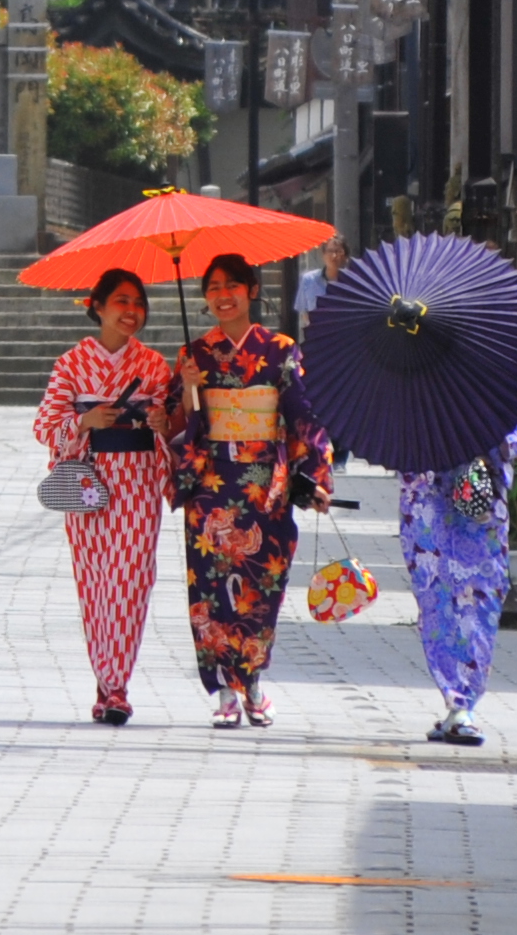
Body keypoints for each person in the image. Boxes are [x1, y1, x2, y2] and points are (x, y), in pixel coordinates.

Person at [171, 252, 333, 729]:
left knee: (264, 586)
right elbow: (178, 423)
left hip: (267, 487)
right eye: (213, 287)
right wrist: (187, 390)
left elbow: (305, 415)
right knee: (210, 589)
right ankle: (223, 690)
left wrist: (318, 476)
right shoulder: (193, 355)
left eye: (233, 286)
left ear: (253, 291)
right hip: (211, 484)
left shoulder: (281, 350)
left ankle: (254, 682)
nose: (223, 295)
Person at [31, 269, 175, 726]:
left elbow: (173, 423)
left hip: (137, 480)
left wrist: (160, 422)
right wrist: (84, 422)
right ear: (97, 305)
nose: (131, 311)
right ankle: (105, 683)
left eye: (139, 303)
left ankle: (117, 687)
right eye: (121, 301)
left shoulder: (153, 365)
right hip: (88, 480)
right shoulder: (70, 364)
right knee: (96, 585)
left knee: (131, 581)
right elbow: (44, 428)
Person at [400, 406, 517, 745]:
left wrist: (481, 436)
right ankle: (455, 701)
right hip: (428, 495)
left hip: (476, 494)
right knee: (435, 598)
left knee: (478, 596)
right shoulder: (407, 373)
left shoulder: (493, 368)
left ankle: (462, 702)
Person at [292, 237, 349, 329]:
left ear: (346, 257)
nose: (334, 256)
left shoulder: (352, 283)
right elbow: (303, 311)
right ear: (323, 255)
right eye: (330, 251)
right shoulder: (309, 280)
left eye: (338, 251)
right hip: (317, 337)